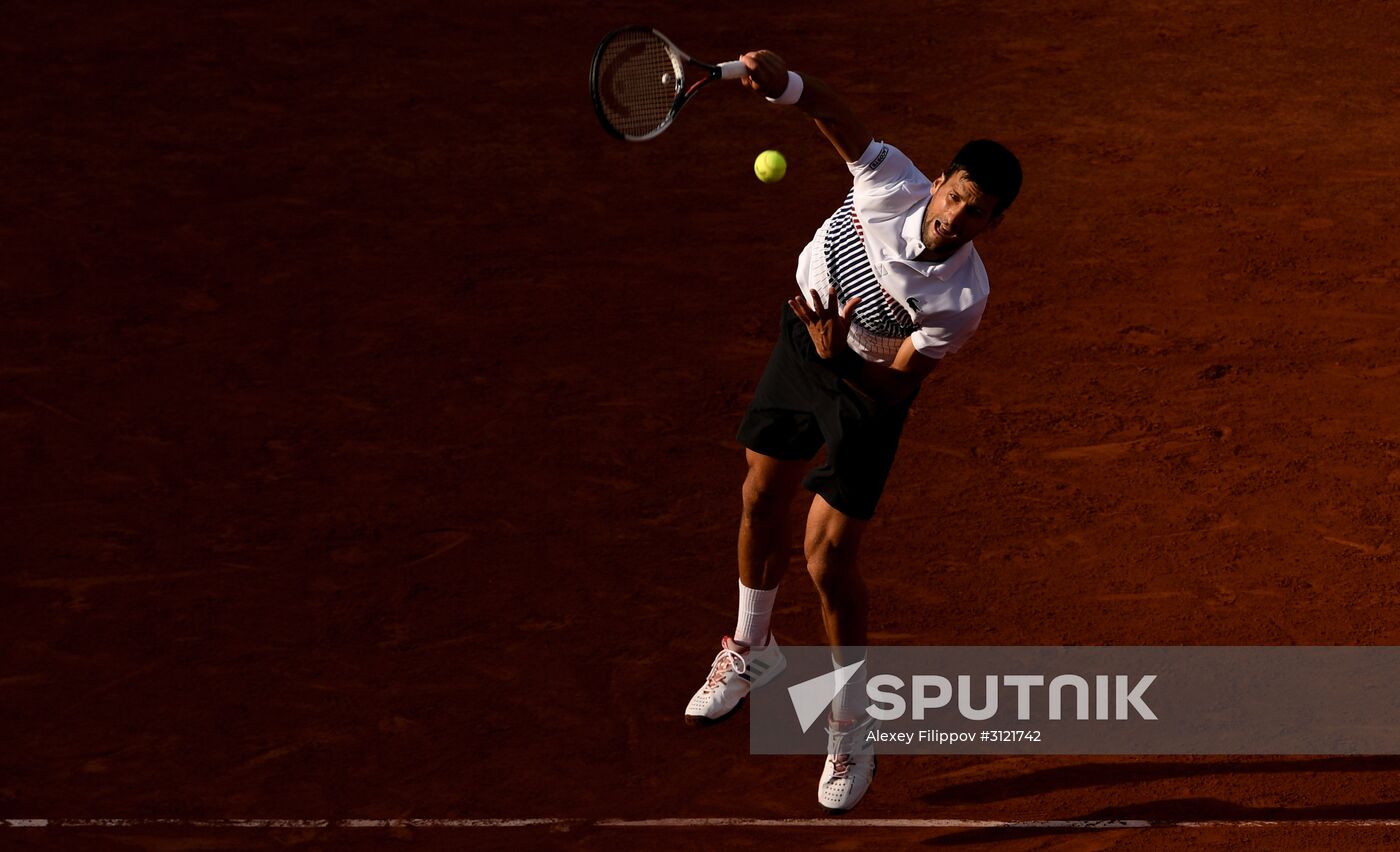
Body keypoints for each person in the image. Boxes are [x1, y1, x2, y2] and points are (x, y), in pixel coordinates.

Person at [682, 50, 1023, 813]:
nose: (954, 217)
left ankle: (851, 722)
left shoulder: (961, 298)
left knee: (827, 557)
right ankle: (750, 650)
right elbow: (835, 118)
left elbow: (899, 383)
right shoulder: (888, 180)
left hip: (866, 387)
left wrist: (842, 362)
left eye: (975, 213)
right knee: (759, 497)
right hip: (806, 341)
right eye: (954, 197)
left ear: (992, 225)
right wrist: (782, 84)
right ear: (936, 182)